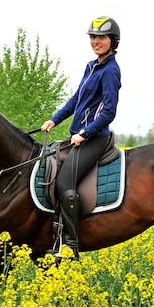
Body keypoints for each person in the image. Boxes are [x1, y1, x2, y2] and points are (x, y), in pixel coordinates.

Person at [41, 16, 122, 260]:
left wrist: (85, 133)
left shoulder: (110, 71)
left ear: (112, 41)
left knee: (65, 185)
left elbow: (109, 111)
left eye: (102, 38)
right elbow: (77, 99)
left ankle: (70, 245)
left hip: (94, 138)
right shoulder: (92, 66)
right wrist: (55, 119)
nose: (96, 42)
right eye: (93, 37)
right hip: (79, 136)